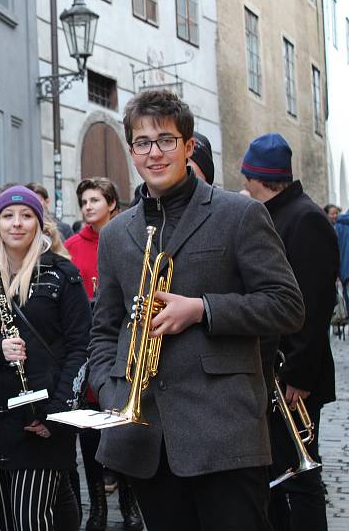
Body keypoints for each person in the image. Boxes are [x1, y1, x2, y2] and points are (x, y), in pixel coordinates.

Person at [87, 89, 305, 531]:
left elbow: (287, 306)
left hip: (224, 433)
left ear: (188, 147)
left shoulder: (238, 214)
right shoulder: (116, 234)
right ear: (132, 152)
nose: (154, 153)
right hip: (145, 436)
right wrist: (111, 392)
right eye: (143, 143)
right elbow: (104, 330)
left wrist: (202, 309)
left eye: (166, 140)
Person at [0, 185, 89, 530]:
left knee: (31, 520)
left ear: (39, 223)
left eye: (26, 215)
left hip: (40, 422)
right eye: (8, 216)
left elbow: (81, 348)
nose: (17, 223)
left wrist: (57, 414)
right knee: (2, 523)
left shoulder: (63, 275)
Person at [241, 133, 339, 531]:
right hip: (277, 369)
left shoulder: (305, 218)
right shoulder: (277, 213)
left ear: (258, 177)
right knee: (279, 474)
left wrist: (298, 374)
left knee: (299, 480)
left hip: (293, 375)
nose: (243, 181)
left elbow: (314, 307)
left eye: (247, 175)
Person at [64, 178, 142, 531]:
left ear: (112, 203)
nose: (88, 207)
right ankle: (96, 505)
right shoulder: (70, 247)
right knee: (90, 428)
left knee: (124, 426)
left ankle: (129, 502)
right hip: (85, 347)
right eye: (83, 201)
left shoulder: (129, 237)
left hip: (122, 346)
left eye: (95, 200)